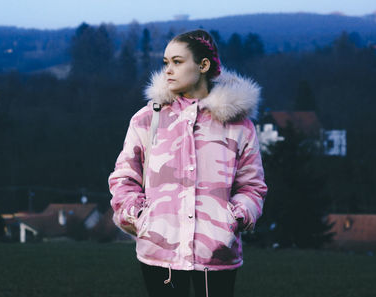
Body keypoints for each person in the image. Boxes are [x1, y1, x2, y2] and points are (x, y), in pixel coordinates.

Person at [108, 29, 267, 297]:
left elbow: (252, 185)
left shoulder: (239, 126)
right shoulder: (147, 120)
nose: (168, 70)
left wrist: (233, 220)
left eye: (178, 62)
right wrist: (138, 217)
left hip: (217, 255)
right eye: (166, 62)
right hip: (159, 251)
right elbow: (124, 178)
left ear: (203, 65)